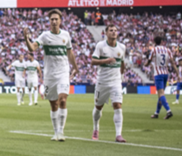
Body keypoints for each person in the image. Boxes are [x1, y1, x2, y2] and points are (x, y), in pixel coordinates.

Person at [23, 9, 78, 142]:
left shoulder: (66, 35)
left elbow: (70, 53)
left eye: (56, 19)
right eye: (52, 19)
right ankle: (55, 132)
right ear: (49, 21)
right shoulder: (45, 36)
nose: (54, 21)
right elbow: (32, 48)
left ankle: (61, 131)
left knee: (63, 100)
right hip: (50, 75)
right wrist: (26, 39)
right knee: (54, 104)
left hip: (63, 73)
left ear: (60, 20)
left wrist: (75, 67)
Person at [90, 25, 126, 143]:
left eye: (115, 30)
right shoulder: (100, 46)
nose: (114, 32)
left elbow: (122, 63)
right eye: (111, 30)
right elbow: (93, 61)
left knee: (118, 105)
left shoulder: (122, 47)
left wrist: (121, 75)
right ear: (106, 33)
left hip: (116, 82)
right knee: (98, 107)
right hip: (103, 82)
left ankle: (118, 135)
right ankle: (96, 128)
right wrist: (106, 60)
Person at [144, 34, 175, 120]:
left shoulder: (154, 50)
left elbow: (149, 61)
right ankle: (156, 113)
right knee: (160, 94)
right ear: (161, 41)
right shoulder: (167, 50)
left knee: (161, 93)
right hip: (166, 74)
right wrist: (176, 71)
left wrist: (145, 64)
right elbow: (172, 62)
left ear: (154, 42)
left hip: (158, 74)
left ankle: (168, 111)